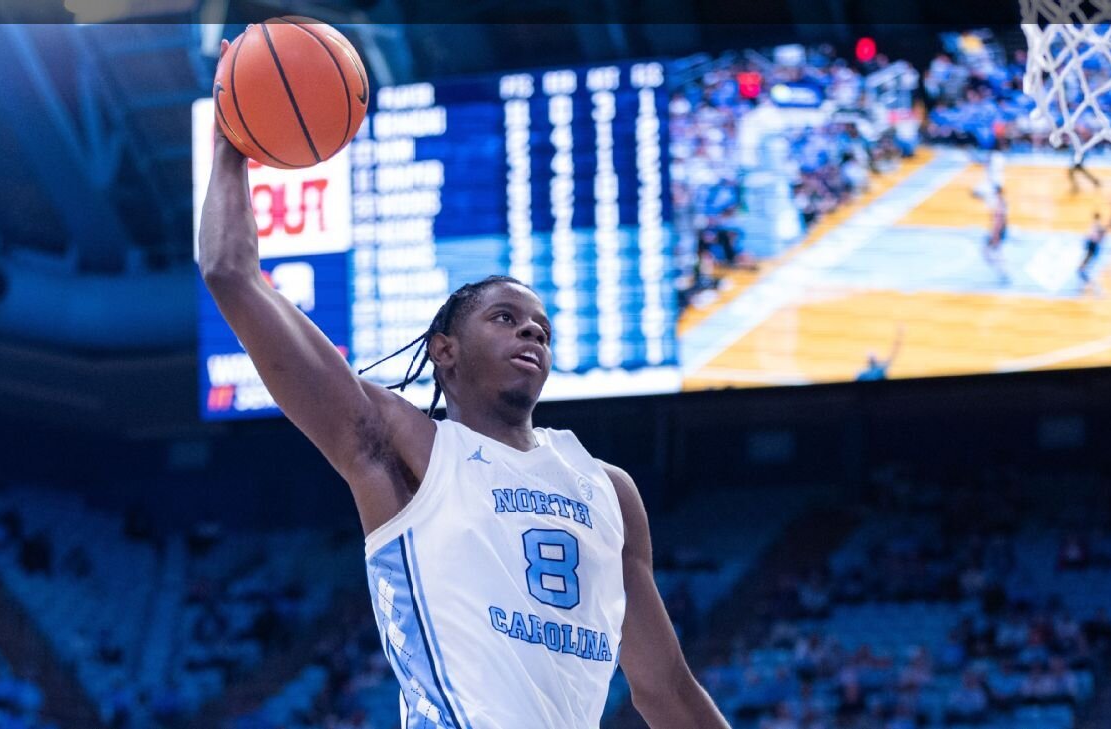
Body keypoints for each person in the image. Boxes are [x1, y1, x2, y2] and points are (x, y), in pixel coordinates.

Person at [197, 38, 730, 729]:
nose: (531, 332)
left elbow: (666, 691)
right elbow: (230, 273)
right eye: (505, 318)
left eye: (541, 327)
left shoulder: (609, 490)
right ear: (444, 352)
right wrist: (231, 144)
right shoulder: (401, 447)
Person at [983, 186, 1010, 283]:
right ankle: (1003, 272)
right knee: (992, 252)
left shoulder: (999, 205)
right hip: (1000, 230)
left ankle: (1004, 272)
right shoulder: (1002, 202)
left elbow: (998, 221)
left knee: (994, 253)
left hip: (998, 231)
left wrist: (995, 236)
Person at [1078, 212, 1107, 291]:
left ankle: (1091, 284)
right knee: (1083, 268)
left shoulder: (1095, 226)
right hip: (1092, 248)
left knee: (1082, 269)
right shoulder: (1096, 226)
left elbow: (1092, 236)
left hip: (1092, 248)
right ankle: (1090, 284)